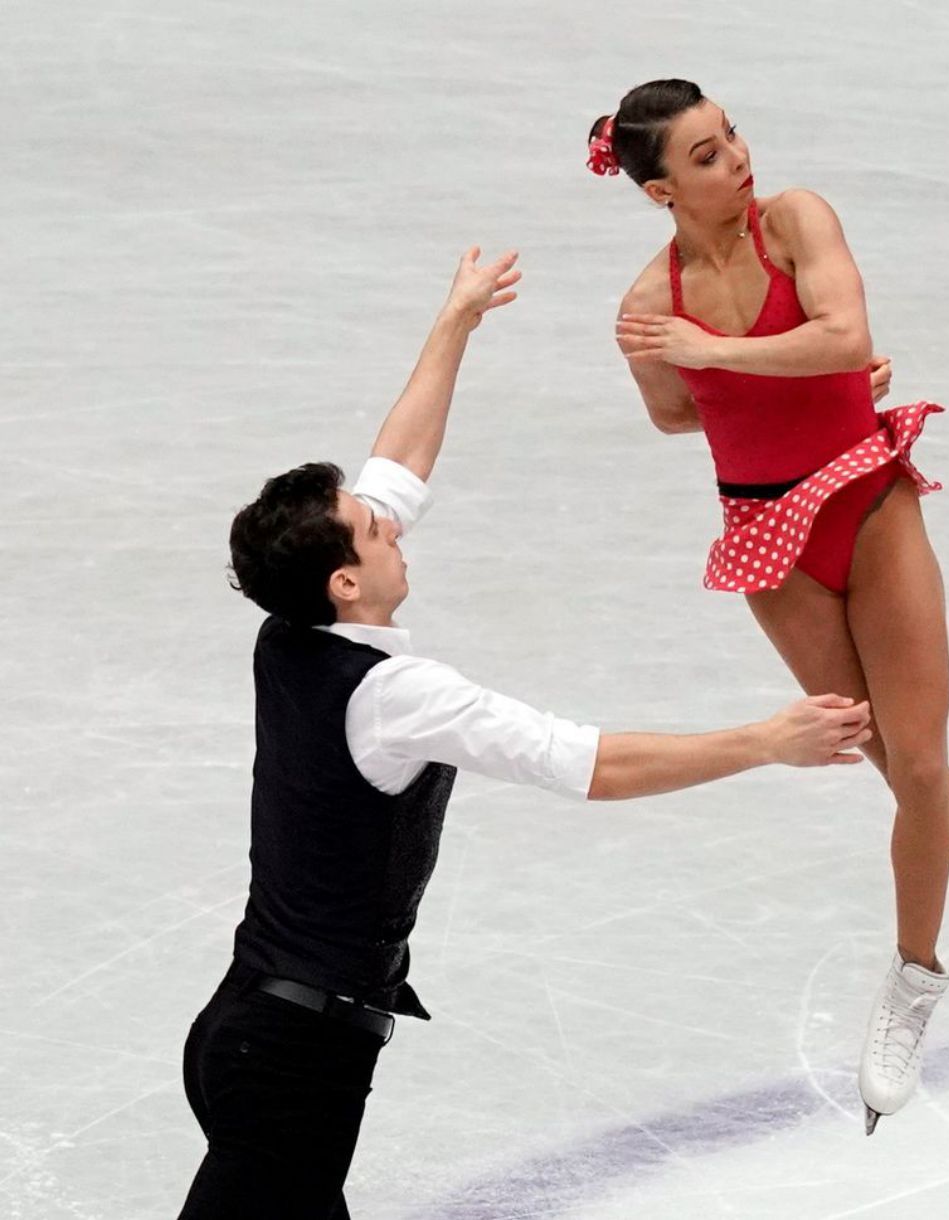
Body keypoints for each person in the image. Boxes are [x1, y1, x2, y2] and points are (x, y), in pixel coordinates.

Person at [179, 247, 874, 1218]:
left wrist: (456, 319)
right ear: (345, 581)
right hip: (292, 1061)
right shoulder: (398, 696)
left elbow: (398, 464)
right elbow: (587, 762)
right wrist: (764, 740)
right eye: (372, 532)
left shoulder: (290, 630)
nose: (392, 526)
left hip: (259, 1031)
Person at [591, 80, 949, 1133]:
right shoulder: (649, 302)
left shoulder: (797, 218)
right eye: (705, 156)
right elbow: (675, 414)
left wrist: (727, 354)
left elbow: (842, 336)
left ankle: (913, 981)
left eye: (731, 134)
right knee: (888, 760)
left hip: (867, 498)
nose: (737, 158)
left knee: (918, 762)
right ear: (660, 191)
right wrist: (719, 369)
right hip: (767, 536)